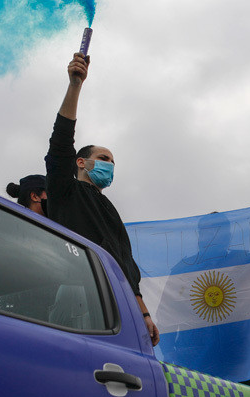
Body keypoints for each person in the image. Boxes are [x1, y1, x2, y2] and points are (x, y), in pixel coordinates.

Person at [44, 52, 159, 346]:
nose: (110, 164)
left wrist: (144, 313)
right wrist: (75, 85)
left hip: (116, 297)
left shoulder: (110, 211)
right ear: (81, 162)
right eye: (104, 158)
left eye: (113, 161)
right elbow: (61, 142)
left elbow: (126, 265)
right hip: (78, 288)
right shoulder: (66, 191)